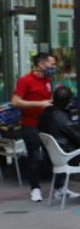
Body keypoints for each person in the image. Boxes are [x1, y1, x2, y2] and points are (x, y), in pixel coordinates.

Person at [12, 52, 56, 202]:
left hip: (46, 123)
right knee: (34, 156)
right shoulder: (25, 81)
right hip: (30, 124)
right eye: (51, 64)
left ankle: (59, 188)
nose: (53, 67)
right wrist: (40, 104)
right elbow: (15, 102)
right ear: (41, 64)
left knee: (53, 154)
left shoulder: (48, 80)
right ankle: (35, 189)